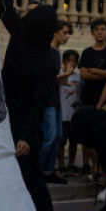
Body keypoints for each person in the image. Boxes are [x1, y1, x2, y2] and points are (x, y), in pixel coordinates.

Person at [0, 0, 61, 211]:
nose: (26, 18)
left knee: (32, 178)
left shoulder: (48, 61)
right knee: (3, 175)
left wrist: (26, 137)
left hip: (24, 125)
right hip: (3, 115)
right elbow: (5, 6)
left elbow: (40, 102)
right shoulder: (22, 35)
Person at [77, 18, 106, 178]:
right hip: (88, 98)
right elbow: (84, 75)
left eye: (102, 29)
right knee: (89, 135)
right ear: (92, 32)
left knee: (105, 136)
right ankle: (94, 166)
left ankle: (104, 167)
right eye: (97, 29)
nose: (99, 32)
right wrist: (103, 73)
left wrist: (94, 70)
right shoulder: (87, 52)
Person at [41, 21, 71, 184]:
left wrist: (64, 76)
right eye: (65, 32)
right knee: (50, 137)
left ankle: (48, 170)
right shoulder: (47, 51)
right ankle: (40, 171)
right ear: (55, 32)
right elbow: (45, 78)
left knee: (58, 137)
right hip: (47, 101)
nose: (67, 36)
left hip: (55, 100)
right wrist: (65, 74)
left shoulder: (57, 52)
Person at [56, 49, 81, 174]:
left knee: (74, 141)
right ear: (63, 61)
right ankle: (61, 165)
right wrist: (66, 73)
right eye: (68, 60)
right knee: (61, 141)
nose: (71, 63)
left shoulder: (79, 76)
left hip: (75, 115)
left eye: (74, 61)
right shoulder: (60, 73)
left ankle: (71, 163)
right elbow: (58, 81)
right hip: (63, 114)